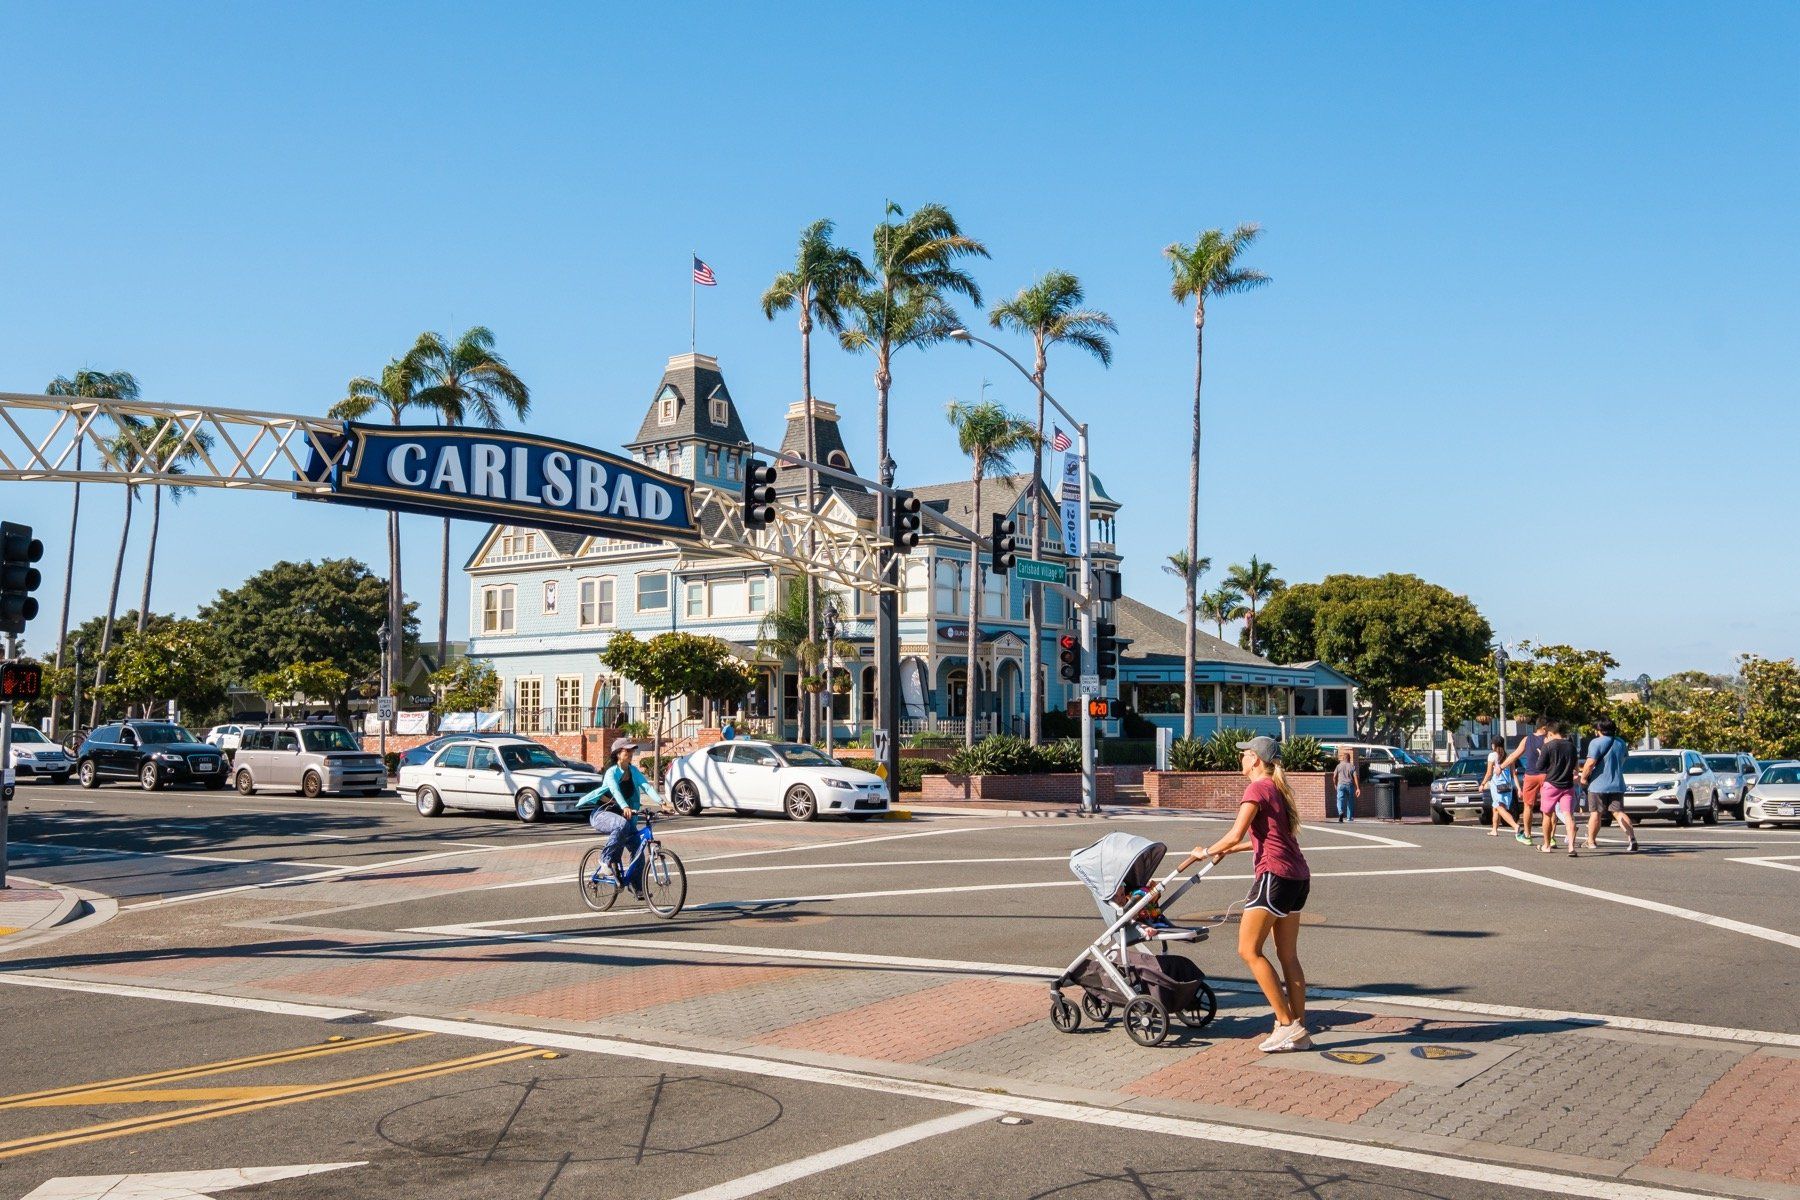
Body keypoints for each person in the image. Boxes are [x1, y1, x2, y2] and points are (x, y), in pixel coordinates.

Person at [1174, 735, 1311, 1053]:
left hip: (1274, 876)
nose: (1241, 759)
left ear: (1257, 760)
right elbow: (1263, 838)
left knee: (1248, 950)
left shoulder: (1257, 787)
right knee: (1288, 956)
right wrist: (1230, 850)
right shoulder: (1277, 788)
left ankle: (1287, 1024)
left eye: (1246, 754)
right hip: (1297, 878)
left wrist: (1205, 851)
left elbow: (1236, 831)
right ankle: (1297, 1029)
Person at [580, 738, 668, 893]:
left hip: (625, 816)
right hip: (603, 813)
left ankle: (636, 887)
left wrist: (662, 803)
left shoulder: (633, 771)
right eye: (626, 750)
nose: (630, 753)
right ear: (618, 754)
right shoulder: (611, 772)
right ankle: (605, 859)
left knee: (638, 850)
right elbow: (615, 791)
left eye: (632, 750)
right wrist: (625, 806)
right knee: (621, 824)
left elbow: (646, 786)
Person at [1582, 718, 1638, 853]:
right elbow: (1624, 759)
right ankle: (1632, 839)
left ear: (1599, 730)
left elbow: (1590, 763)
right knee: (1618, 813)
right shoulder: (1620, 742)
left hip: (1598, 785)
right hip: (1617, 783)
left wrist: (1584, 778)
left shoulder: (1596, 743)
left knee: (1596, 813)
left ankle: (1591, 841)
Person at [1501, 717, 1553, 848]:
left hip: (1530, 775)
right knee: (1548, 808)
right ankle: (1551, 838)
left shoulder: (1527, 739)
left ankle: (1528, 835)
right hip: (1546, 775)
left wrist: (1501, 767)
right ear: (1544, 728)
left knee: (1528, 806)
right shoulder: (1550, 740)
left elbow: (1514, 755)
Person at [1536, 722, 1580, 857]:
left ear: (1550, 733)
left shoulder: (1548, 746)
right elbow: (1574, 765)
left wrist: (1540, 754)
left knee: (1547, 815)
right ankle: (1571, 847)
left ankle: (1547, 845)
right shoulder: (1572, 747)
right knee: (1568, 815)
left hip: (1551, 784)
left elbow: (1539, 767)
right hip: (1567, 785)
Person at [1483, 736, 1528, 842]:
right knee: (1496, 808)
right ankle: (1494, 830)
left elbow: (1489, 773)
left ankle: (1515, 826)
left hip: (1497, 786)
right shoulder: (1508, 756)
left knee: (1499, 808)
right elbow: (1514, 774)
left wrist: (1483, 783)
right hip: (1508, 786)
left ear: (1493, 745)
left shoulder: (1492, 755)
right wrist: (1519, 788)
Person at [1331, 748, 1360, 822]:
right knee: (1350, 801)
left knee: (1339, 800)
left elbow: (1334, 777)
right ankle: (1349, 817)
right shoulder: (1352, 766)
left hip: (1340, 785)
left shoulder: (1338, 766)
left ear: (1343, 759)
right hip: (1349, 785)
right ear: (1349, 759)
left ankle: (1340, 812)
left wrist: (1335, 784)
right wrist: (1357, 788)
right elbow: (1355, 777)